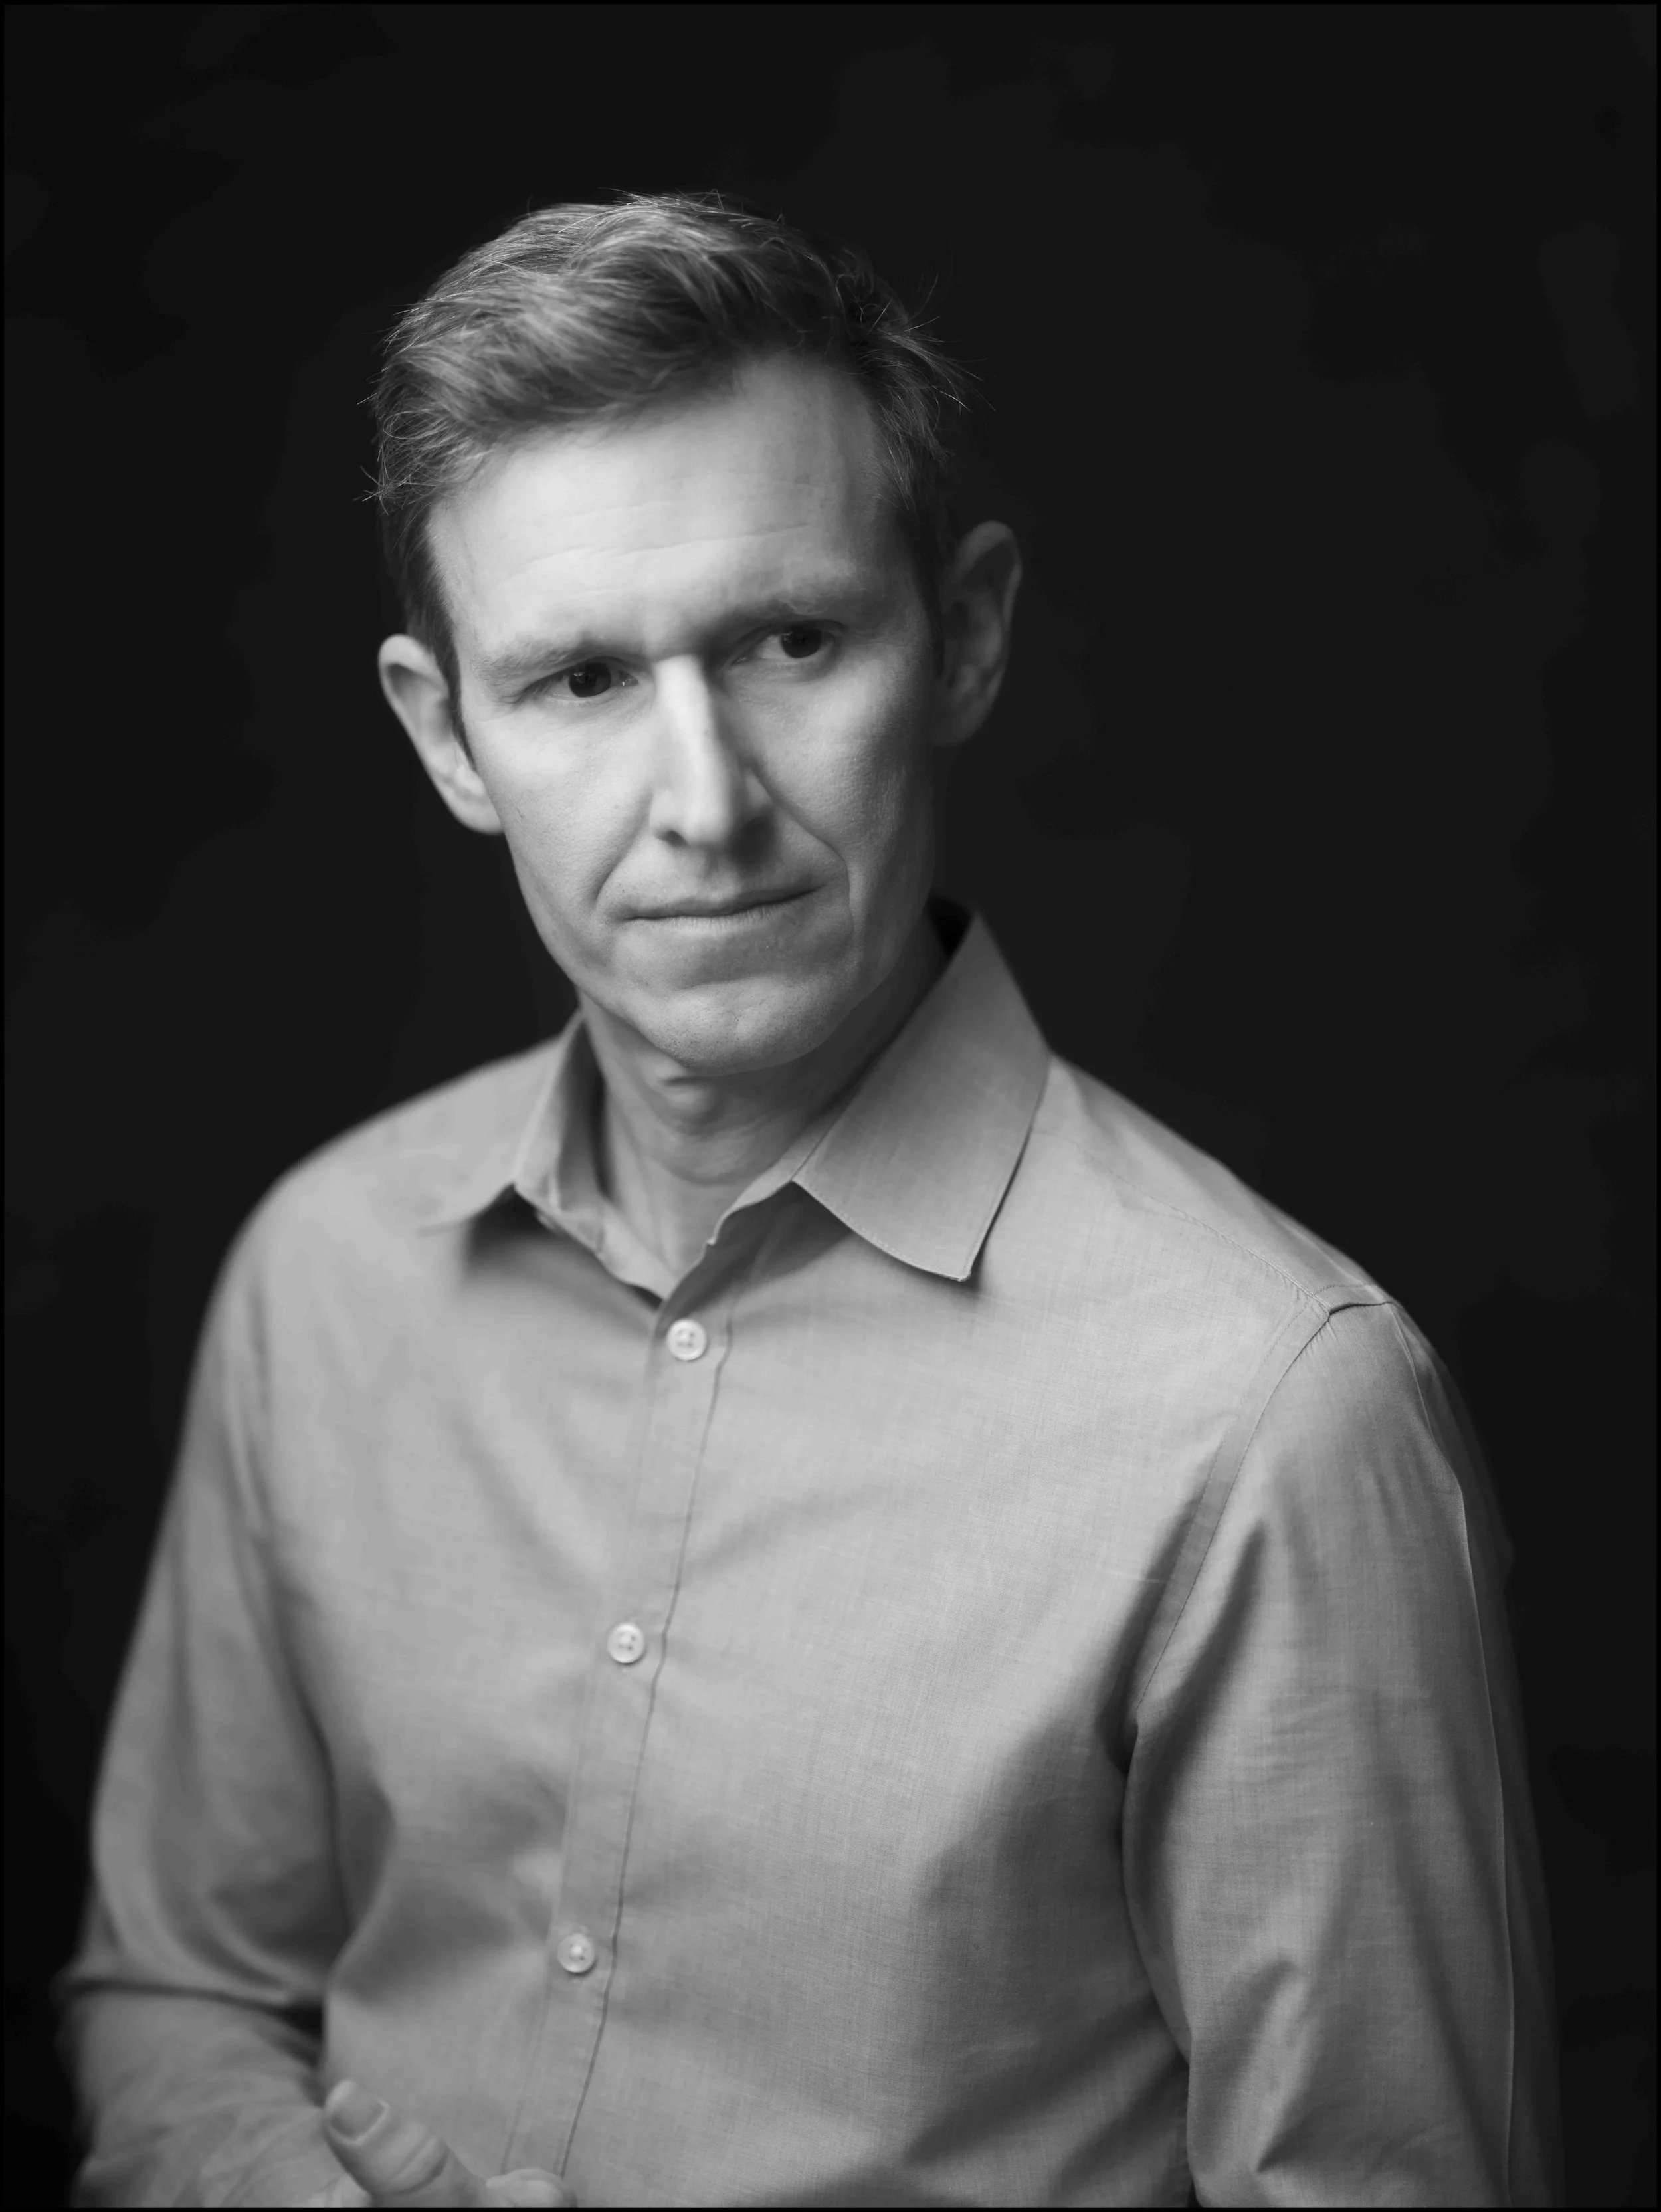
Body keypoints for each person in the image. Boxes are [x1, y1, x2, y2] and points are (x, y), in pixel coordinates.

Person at [53, 191, 1561, 2209]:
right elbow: (176, 1989)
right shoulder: (322, 1273)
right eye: (579, 680)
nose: (702, 800)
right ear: (446, 733)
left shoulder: (1274, 1415)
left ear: (967, 634)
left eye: (790, 639)